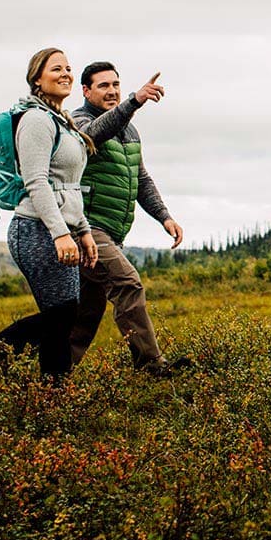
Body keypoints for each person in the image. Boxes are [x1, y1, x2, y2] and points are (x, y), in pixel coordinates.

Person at [0, 48, 98, 388]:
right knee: (61, 315)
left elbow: (68, 186)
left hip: (56, 228)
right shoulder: (36, 120)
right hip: (36, 229)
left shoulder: (60, 121)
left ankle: (52, 392)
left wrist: (83, 231)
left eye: (68, 68)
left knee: (62, 317)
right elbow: (37, 181)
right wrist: (60, 234)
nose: (65, 73)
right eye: (56, 68)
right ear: (37, 78)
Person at [67, 61, 189, 377]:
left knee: (85, 315)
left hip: (111, 232)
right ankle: (151, 365)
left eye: (116, 85)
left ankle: (53, 377)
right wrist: (133, 101)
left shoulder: (129, 129)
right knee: (128, 283)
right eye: (103, 85)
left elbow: (141, 177)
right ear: (85, 90)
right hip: (87, 229)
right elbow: (93, 135)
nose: (112, 91)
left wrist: (164, 217)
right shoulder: (78, 121)